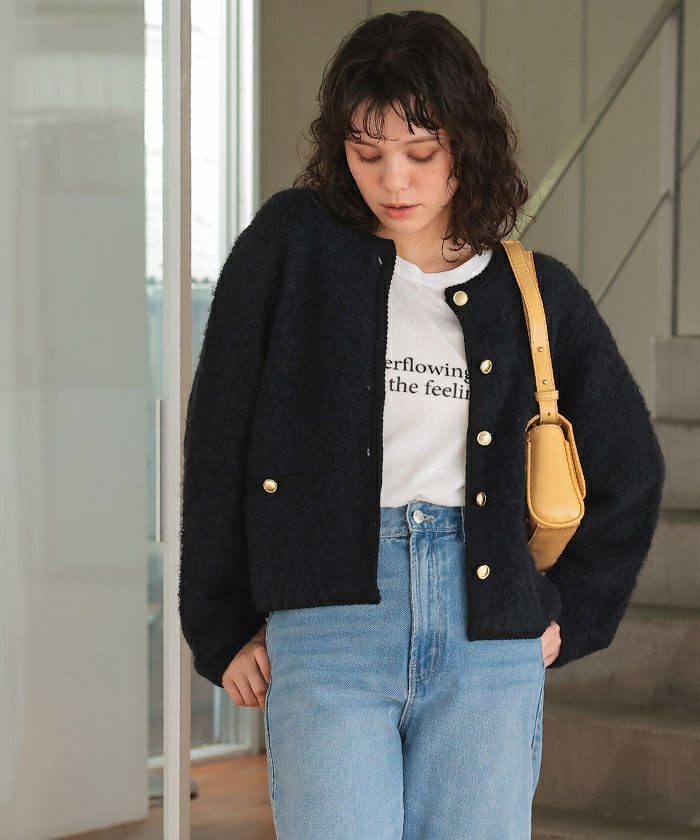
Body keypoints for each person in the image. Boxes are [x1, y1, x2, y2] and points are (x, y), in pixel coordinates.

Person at [178, 10, 665, 840]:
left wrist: (570, 611)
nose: (393, 180)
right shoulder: (291, 249)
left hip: (487, 635)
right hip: (330, 625)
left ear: (466, 145)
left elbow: (632, 469)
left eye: (420, 152)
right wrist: (220, 626)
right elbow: (219, 437)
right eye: (367, 154)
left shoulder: (535, 293)